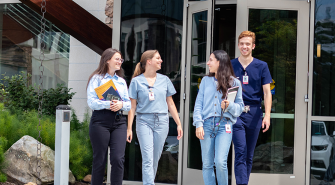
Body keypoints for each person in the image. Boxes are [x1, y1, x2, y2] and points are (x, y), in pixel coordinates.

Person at [127, 50, 183, 185]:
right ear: (149, 61)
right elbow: (132, 107)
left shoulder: (165, 80)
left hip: (162, 121)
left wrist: (178, 123)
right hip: (144, 121)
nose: (161, 60)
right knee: (147, 158)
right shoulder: (136, 82)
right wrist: (129, 128)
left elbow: (170, 103)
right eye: (158, 58)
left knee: (155, 157)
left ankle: (149, 182)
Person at [193, 50, 244, 185]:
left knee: (220, 162)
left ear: (219, 62)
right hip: (206, 125)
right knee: (207, 164)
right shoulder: (205, 80)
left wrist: (230, 105)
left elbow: (240, 108)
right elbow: (198, 104)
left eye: (211, 60)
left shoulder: (235, 83)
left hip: (225, 125)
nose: (208, 63)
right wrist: (198, 124)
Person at [230, 31, 272, 185]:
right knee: (240, 152)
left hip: (254, 113)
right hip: (236, 113)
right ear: (238, 45)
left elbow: (267, 93)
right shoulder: (231, 64)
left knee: (248, 155)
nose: (244, 46)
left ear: (253, 46)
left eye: (247, 44)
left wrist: (267, 115)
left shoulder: (262, 66)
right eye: (242, 43)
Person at [86, 48, 131, 185]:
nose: (120, 62)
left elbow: (128, 104)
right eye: (117, 59)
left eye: (121, 59)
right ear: (107, 60)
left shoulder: (121, 81)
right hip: (100, 121)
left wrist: (121, 105)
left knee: (118, 159)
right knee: (100, 159)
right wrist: (109, 104)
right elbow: (91, 102)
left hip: (119, 122)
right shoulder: (96, 79)